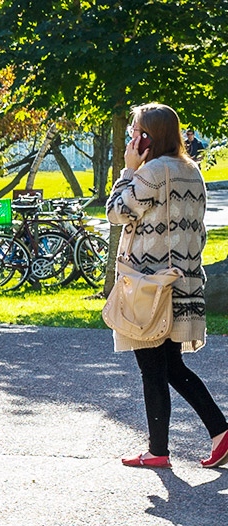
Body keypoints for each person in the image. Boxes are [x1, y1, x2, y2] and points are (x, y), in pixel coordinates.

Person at [108, 104, 224, 468]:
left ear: (149, 137)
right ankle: (221, 433)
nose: (131, 136)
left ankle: (158, 452)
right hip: (183, 282)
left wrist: (128, 169)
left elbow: (116, 212)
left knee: (153, 368)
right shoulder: (191, 170)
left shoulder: (151, 172)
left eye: (136, 130)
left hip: (150, 286)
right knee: (170, 366)